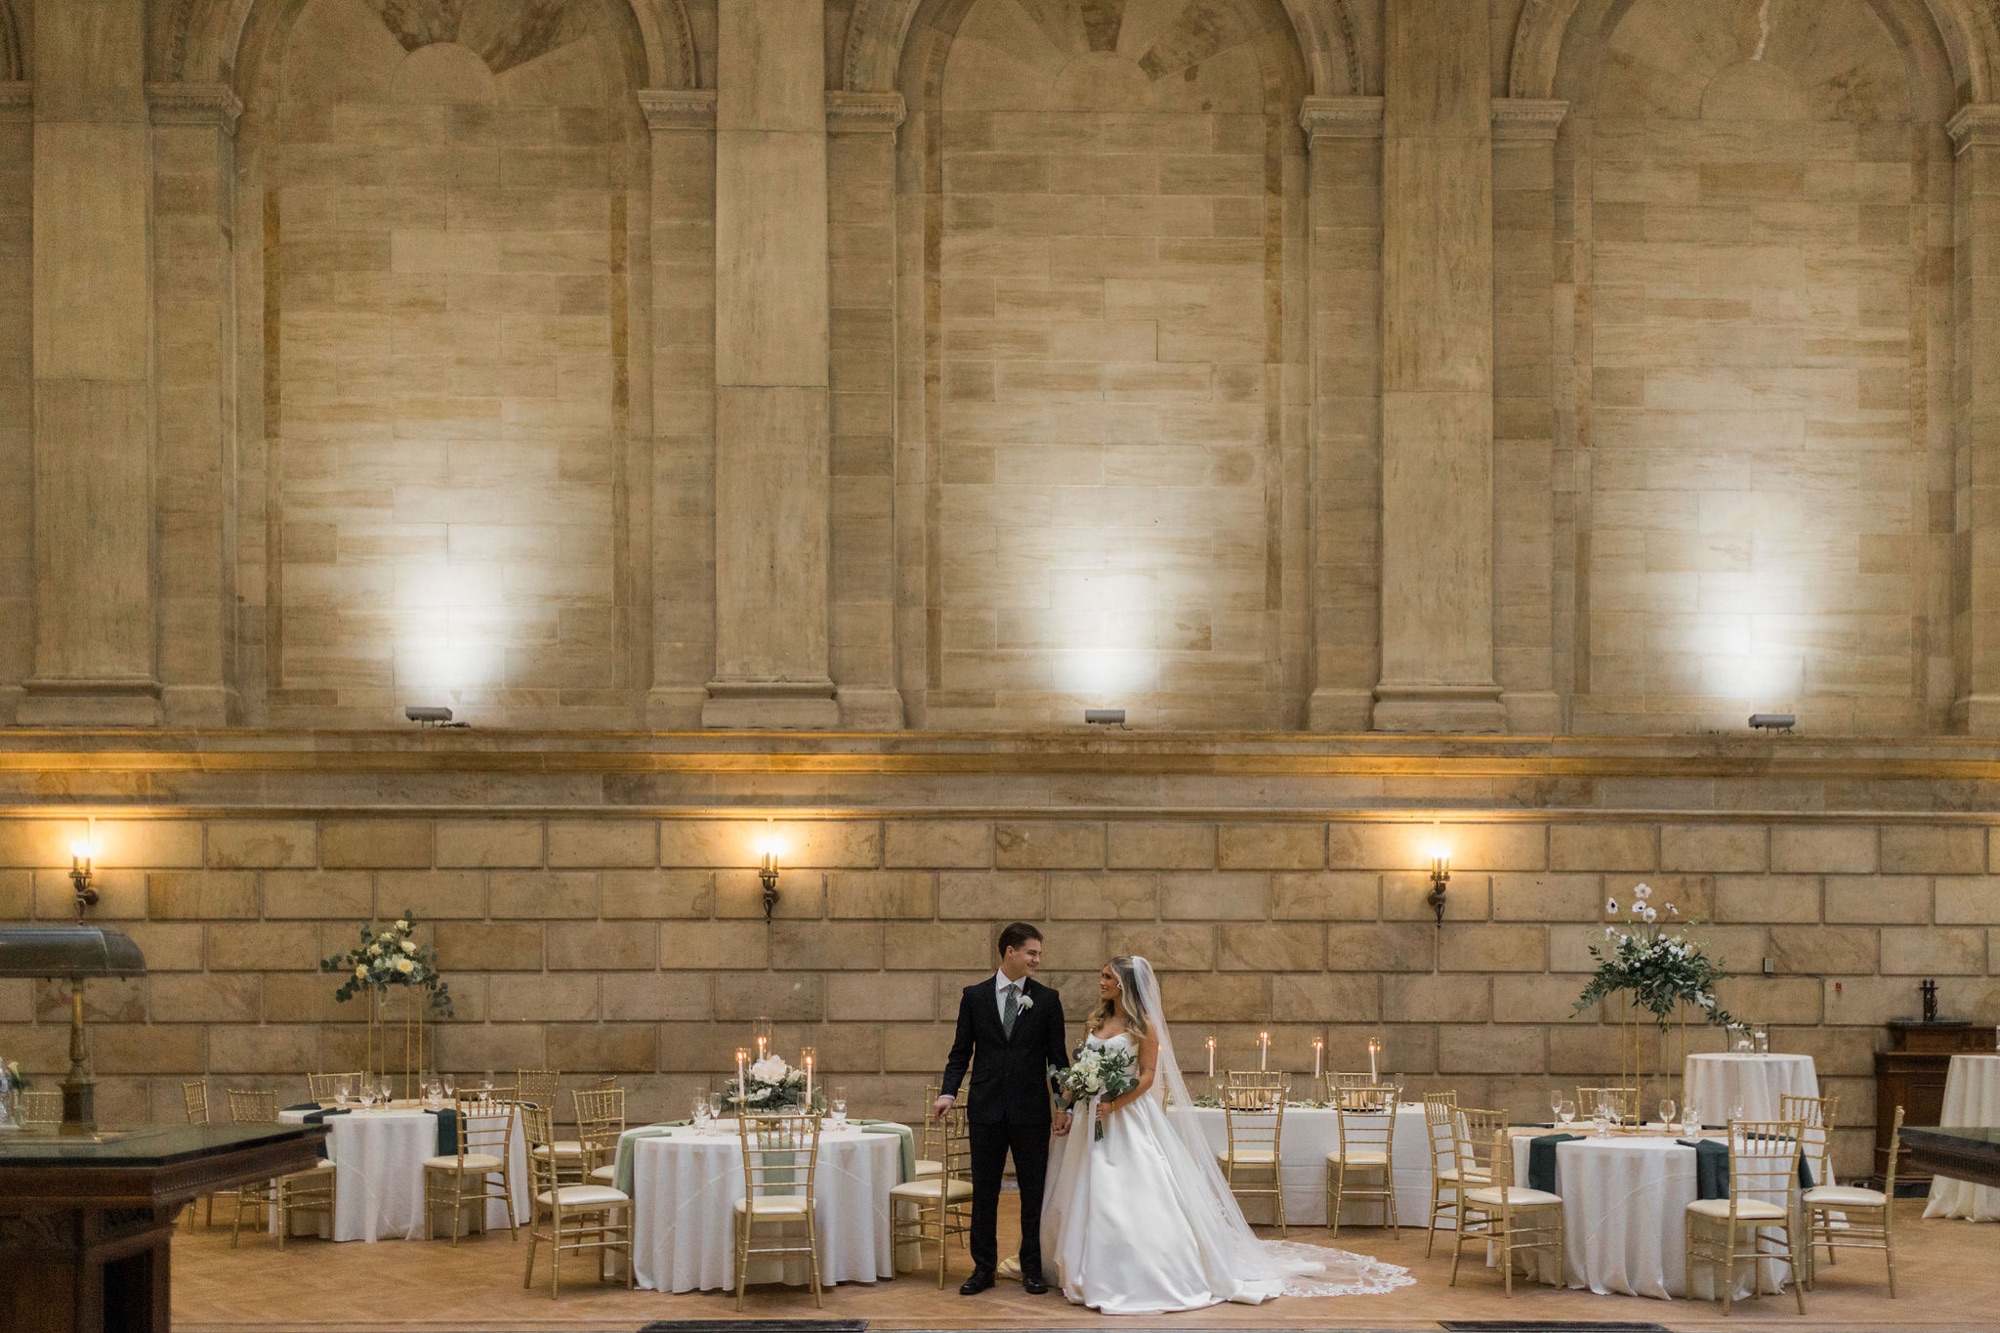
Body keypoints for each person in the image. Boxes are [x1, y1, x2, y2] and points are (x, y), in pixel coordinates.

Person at [1039, 955, 1414, 1314]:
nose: (1101, 982)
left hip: (1125, 1117)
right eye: (1102, 976)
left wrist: (1114, 1105)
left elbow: (1148, 1075)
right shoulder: (1095, 1022)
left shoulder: (1145, 1025)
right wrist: (1067, 1105)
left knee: (1126, 1191)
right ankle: (1082, 1263)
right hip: (1091, 1119)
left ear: (1124, 984)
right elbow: (1080, 1070)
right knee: (1085, 1187)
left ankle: (1135, 1272)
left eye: (1107, 977)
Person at [934, 922, 1071, 1295]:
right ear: (1009, 951)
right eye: (1032, 952)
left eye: (1039, 954)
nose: (1037, 960)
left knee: (1033, 1191)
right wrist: (949, 1092)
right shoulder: (974, 996)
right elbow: (960, 1053)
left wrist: (1065, 1106)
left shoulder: (1047, 999)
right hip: (986, 1109)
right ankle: (983, 1269)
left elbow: (1057, 1060)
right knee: (986, 1193)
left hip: (1030, 1111)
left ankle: (1032, 1268)